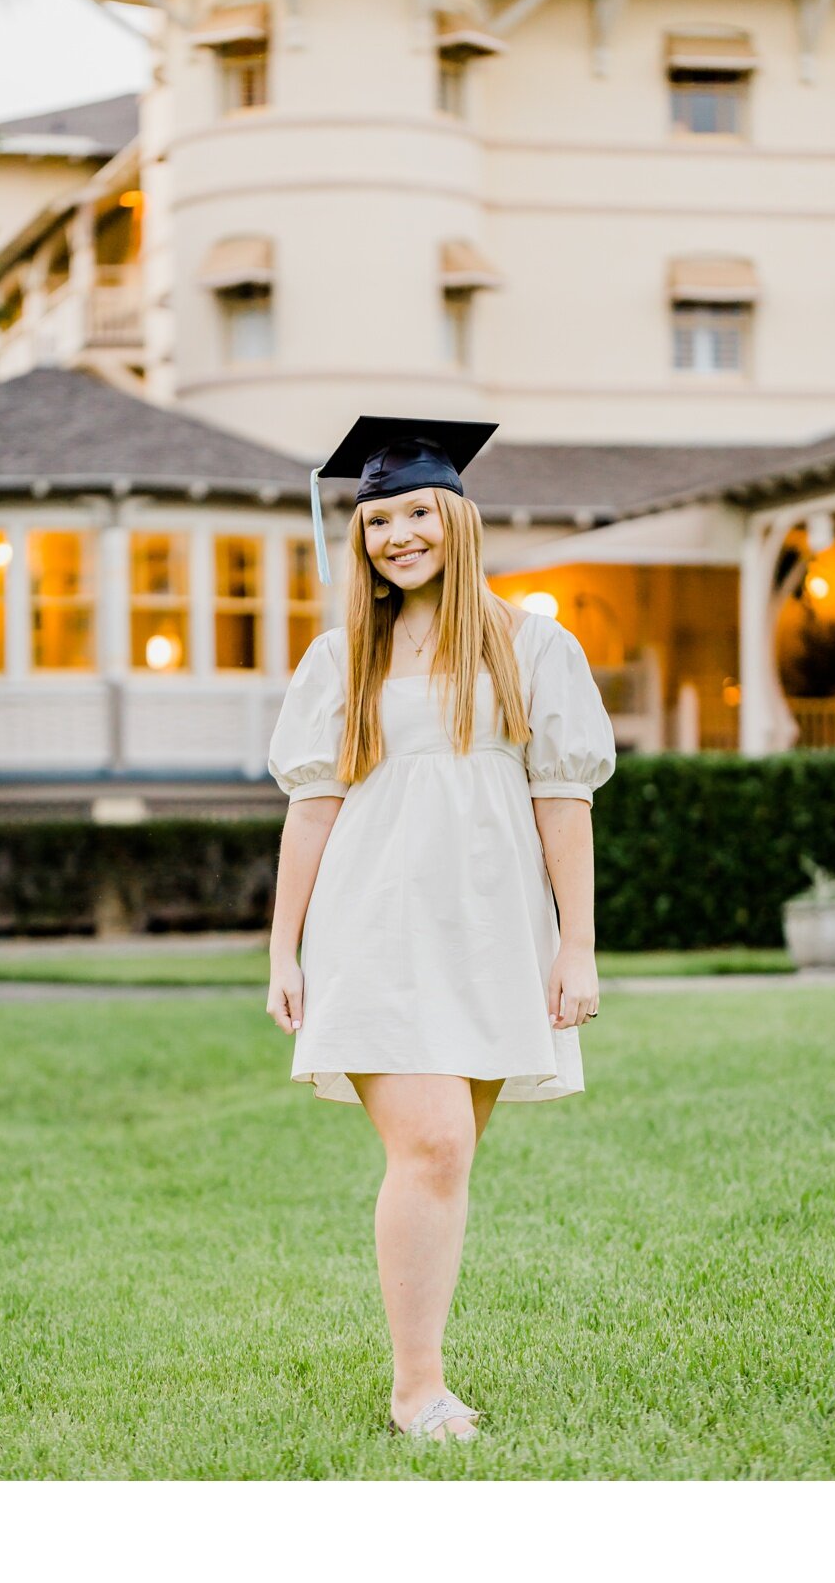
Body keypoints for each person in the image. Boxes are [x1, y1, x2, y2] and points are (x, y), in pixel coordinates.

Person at [265, 416, 616, 1443]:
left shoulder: (532, 644)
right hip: (371, 926)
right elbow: (312, 807)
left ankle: (421, 1368)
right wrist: (282, 946)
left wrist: (575, 941)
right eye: (378, 519)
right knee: (429, 1139)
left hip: (489, 932)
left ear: (456, 518)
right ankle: (417, 1389)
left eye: (417, 511)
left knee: (447, 1160)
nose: (397, 534)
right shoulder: (341, 659)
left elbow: (563, 798)